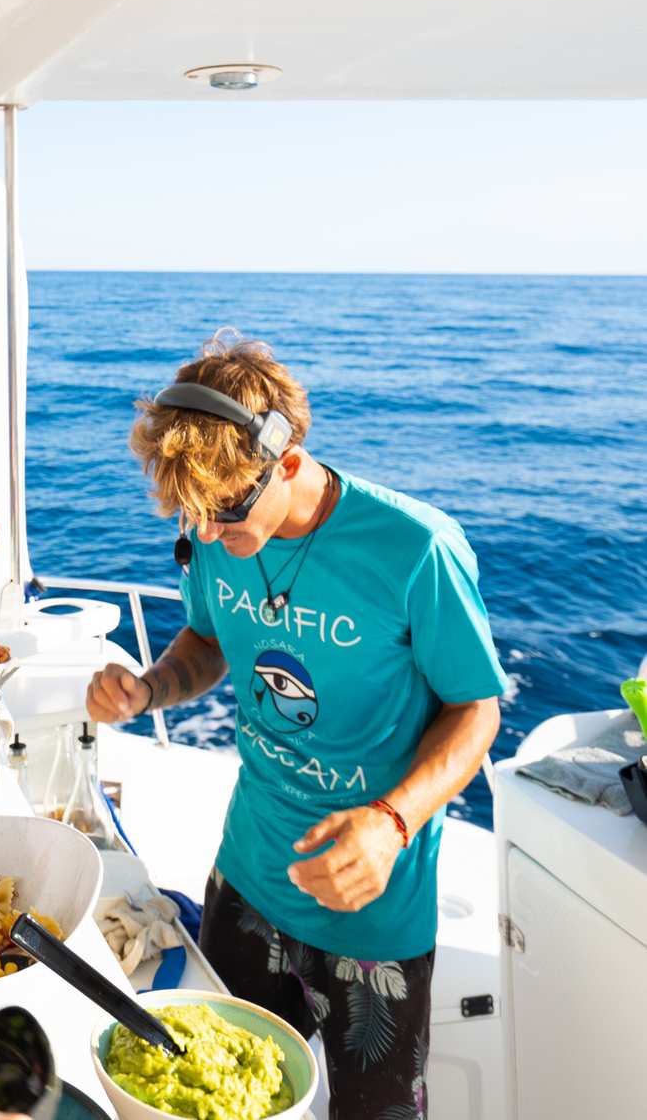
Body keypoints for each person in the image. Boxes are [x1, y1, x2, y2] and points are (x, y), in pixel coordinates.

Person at [86, 333, 507, 1120]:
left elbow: (476, 709)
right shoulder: (215, 525)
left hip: (372, 913)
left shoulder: (417, 549)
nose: (209, 534)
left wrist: (390, 822)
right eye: (193, 515)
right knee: (209, 1097)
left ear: (286, 461)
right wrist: (148, 689)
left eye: (225, 510)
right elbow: (207, 639)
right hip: (246, 878)